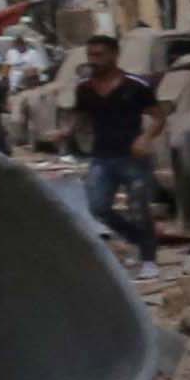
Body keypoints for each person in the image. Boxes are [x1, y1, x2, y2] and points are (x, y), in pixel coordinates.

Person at [66, 37, 163, 252]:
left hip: (133, 158)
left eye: (99, 55)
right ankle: (139, 239)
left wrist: (145, 138)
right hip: (101, 158)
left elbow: (159, 118)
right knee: (98, 208)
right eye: (90, 55)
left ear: (114, 55)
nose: (94, 60)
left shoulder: (136, 86)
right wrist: (65, 131)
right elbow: (80, 115)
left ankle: (148, 260)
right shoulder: (84, 88)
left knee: (139, 210)